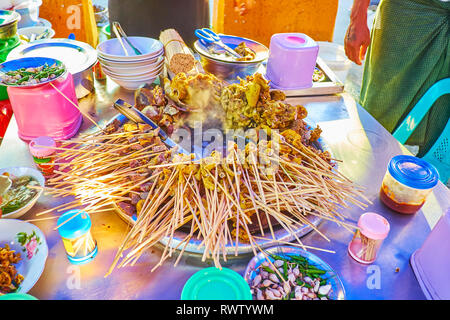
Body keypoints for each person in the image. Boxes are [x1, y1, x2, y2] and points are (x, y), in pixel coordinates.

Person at [344, 0, 450, 157]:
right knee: (378, 117)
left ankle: (427, 177)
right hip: (405, 12)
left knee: (441, 132)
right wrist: (358, 17)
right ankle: (366, 167)